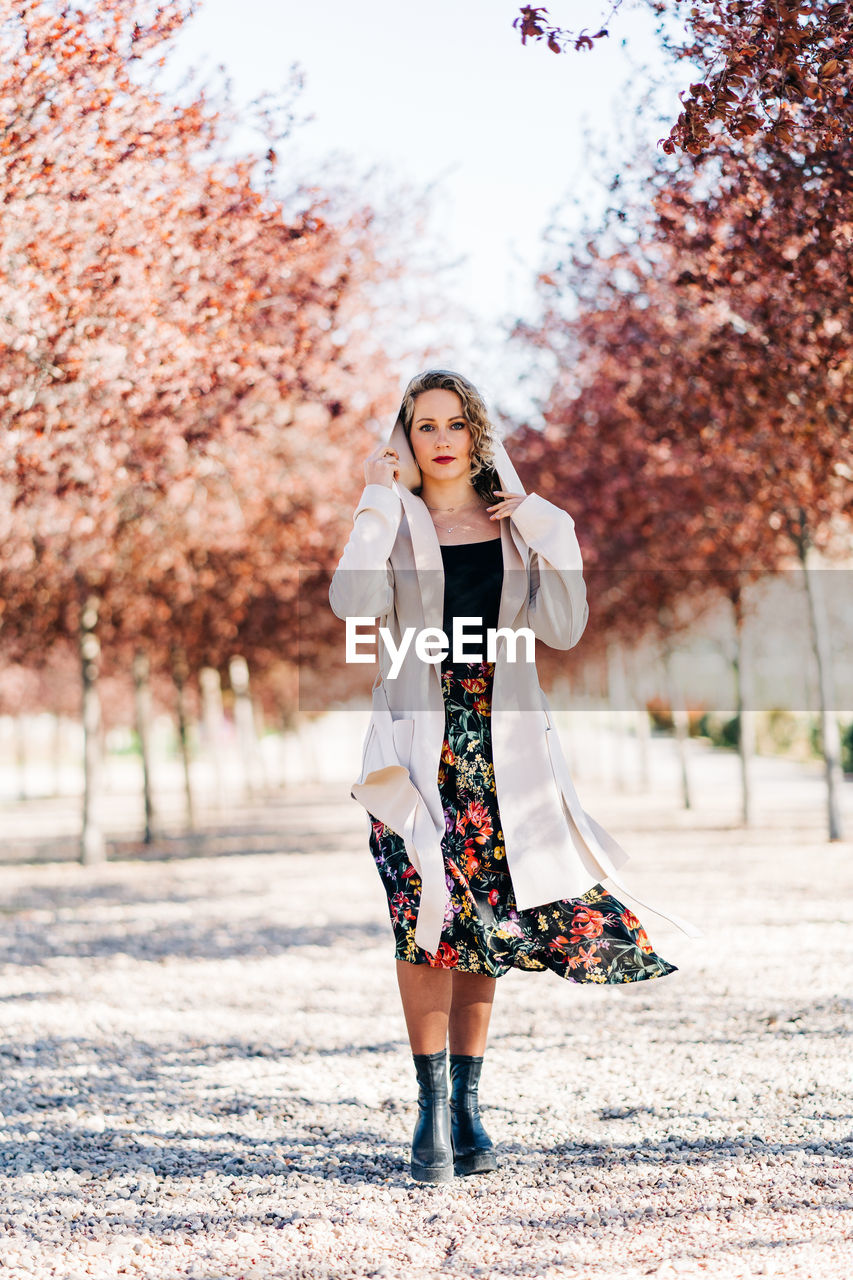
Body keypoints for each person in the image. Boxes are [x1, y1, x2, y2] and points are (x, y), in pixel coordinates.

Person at [328, 368, 700, 1184]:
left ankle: (465, 1107)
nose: (441, 439)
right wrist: (375, 502)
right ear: (405, 437)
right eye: (424, 425)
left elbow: (564, 627)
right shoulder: (389, 522)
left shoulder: (518, 526)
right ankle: (428, 1111)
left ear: (478, 434)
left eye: (455, 424)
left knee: (482, 928)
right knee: (420, 921)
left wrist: (541, 521)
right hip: (415, 752)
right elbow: (354, 605)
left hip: (501, 749)